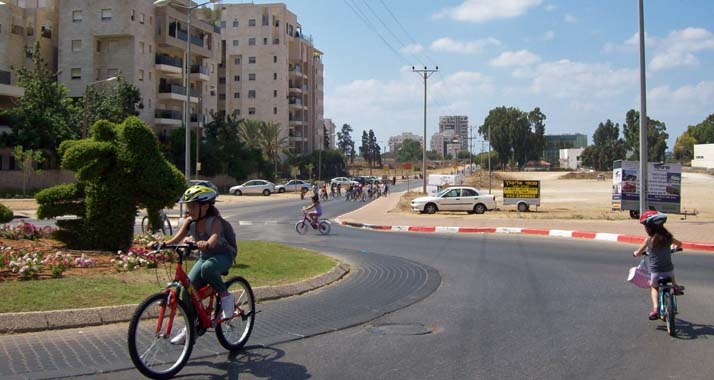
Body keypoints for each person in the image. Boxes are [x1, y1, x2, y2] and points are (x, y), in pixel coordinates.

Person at [150, 185, 236, 344]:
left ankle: (226, 296)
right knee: (185, 290)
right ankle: (192, 326)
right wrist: (161, 245)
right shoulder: (190, 222)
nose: (190, 209)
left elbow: (215, 236)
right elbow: (176, 238)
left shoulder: (215, 221)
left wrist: (207, 243)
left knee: (208, 268)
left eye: (193, 206)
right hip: (205, 257)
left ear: (205, 206)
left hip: (223, 255)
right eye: (188, 206)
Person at [633, 210, 684, 320]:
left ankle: (655, 308)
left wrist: (636, 253)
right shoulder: (668, 238)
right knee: (670, 267)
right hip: (669, 271)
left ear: (650, 228)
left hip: (655, 273)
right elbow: (679, 244)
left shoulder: (648, 240)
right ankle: (675, 286)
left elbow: (638, 252)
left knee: (654, 287)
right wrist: (675, 248)